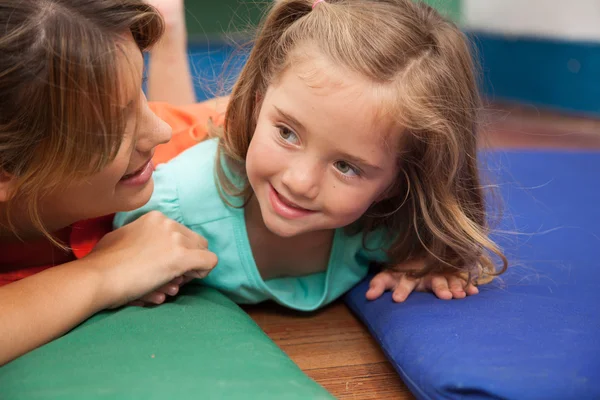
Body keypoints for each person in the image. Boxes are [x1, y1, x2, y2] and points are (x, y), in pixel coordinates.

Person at [115, 0, 508, 312]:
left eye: (345, 166)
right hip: (202, 137)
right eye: (287, 132)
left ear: (396, 184)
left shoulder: (387, 225)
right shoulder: (171, 206)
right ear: (257, 106)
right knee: (173, 129)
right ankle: (167, 29)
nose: (298, 182)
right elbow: (109, 261)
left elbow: (437, 246)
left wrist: (427, 265)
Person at [0, 0, 221, 365]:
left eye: (141, 88)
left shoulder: (144, 165)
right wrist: (106, 271)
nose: (159, 131)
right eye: (114, 127)